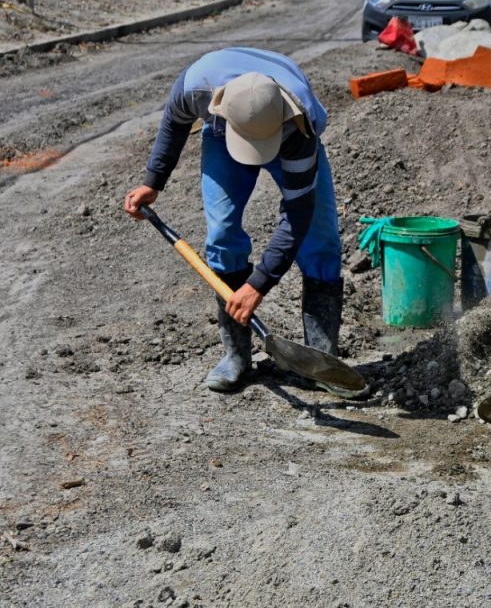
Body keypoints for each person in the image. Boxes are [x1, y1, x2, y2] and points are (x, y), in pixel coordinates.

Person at [124, 48, 346, 395]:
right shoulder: (197, 88)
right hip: (223, 133)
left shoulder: (302, 124)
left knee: (321, 241)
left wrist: (258, 284)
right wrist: (154, 181)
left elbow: (297, 215)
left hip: (287, 130)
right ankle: (236, 357)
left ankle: (321, 360)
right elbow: (174, 121)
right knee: (222, 234)